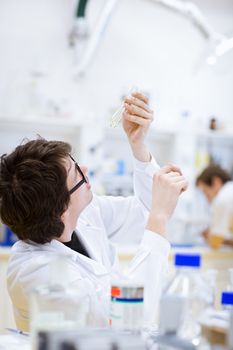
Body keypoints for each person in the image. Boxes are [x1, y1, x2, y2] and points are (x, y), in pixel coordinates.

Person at [0, 92, 188, 332]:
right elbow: (125, 318)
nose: (85, 169)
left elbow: (145, 209)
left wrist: (138, 145)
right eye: (76, 171)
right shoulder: (35, 273)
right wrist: (159, 218)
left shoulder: (84, 214)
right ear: (62, 211)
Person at [196, 164, 233, 248]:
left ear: (216, 182)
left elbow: (215, 243)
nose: (206, 197)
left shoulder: (222, 198)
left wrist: (209, 236)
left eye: (205, 191)